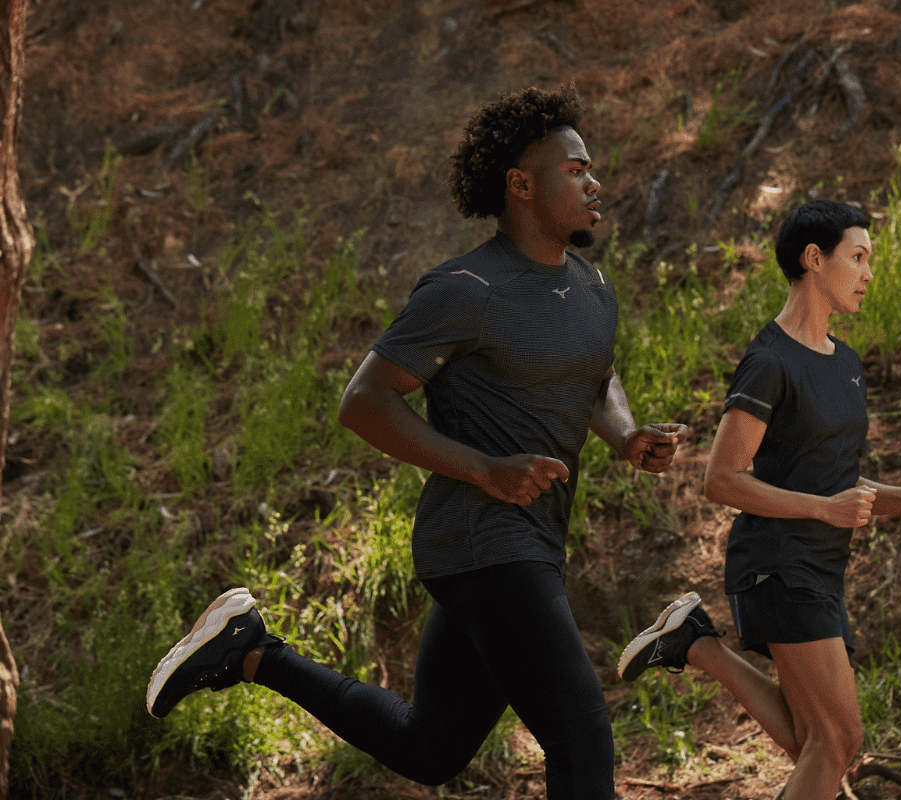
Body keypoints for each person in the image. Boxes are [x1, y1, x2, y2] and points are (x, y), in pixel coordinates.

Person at [146, 85, 688, 800]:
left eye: (593, 168)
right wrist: (487, 470)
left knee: (430, 747)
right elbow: (364, 402)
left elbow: (597, 378)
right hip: (483, 537)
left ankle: (250, 651)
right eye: (576, 169)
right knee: (580, 733)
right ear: (521, 185)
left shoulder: (592, 288)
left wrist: (624, 437)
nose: (595, 182)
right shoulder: (465, 288)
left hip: (529, 542)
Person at [616, 200, 901, 800]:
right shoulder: (769, 363)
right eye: (858, 257)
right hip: (778, 562)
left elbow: (837, 484)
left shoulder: (846, 364)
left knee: (819, 745)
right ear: (813, 258)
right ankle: (693, 642)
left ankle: (694, 642)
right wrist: (823, 511)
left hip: (821, 568)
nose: (868, 273)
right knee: (837, 741)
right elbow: (721, 480)